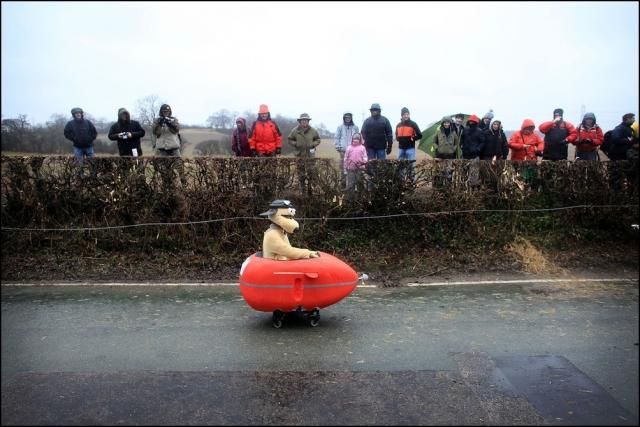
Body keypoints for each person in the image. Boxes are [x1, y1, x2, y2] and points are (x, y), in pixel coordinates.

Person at [395, 107, 422, 181]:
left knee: (411, 166)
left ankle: (411, 182)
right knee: (400, 165)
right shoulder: (398, 125)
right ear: (402, 115)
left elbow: (420, 135)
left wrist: (413, 138)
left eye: (407, 114)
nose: (406, 116)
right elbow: (396, 135)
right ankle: (401, 181)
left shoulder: (413, 124)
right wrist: (398, 139)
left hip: (410, 148)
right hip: (401, 148)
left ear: (409, 115)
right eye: (404, 114)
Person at [335, 112, 359, 185]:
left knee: (353, 167)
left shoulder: (355, 127)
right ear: (344, 118)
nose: (347, 119)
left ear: (351, 118)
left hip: (353, 151)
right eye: (346, 117)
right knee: (343, 168)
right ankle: (343, 185)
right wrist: (338, 147)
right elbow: (337, 137)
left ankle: (352, 185)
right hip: (343, 150)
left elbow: (358, 137)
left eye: (349, 117)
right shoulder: (340, 127)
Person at [343, 132, 368, 201]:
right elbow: (345, 158)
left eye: (357, 138)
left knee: (360, 183)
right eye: (354, 138)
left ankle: (360, 199)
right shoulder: (349, 148)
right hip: (350, 169)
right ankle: (350, 199)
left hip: (360, 169)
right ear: (352, 139)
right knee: (350, 185)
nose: (356, 140)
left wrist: (363, 163)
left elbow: (365, 157)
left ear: (360, 139)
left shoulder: (362, 148)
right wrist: (345, 168)